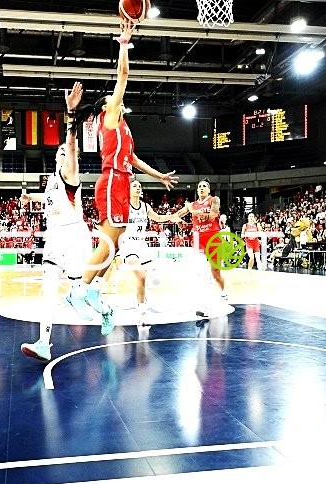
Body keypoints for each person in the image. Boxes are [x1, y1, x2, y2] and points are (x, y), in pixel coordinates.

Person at [65, 20, 177, 328]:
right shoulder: (110, 116)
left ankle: (92, 289)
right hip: (113, 180)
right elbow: (123, 75)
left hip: (120, 180)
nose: (120, 99)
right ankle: (79, 289)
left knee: (113, 244)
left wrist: (159, 177)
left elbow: (135, 159)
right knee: (107, 242)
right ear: (107, 107)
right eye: (114, 99)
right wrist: (124, 44)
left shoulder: (124, 128)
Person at [19, 82, 94, 361]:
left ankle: (103, 307)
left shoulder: (71, 175)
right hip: (54, 237)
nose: (66, 155)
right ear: (55, 158)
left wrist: (70, 116)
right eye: (61, 153)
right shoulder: (52, 181)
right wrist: (31, 199)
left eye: (68, 153)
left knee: (79, 292)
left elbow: (72, 145)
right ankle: (43, 342)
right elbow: (48, 199)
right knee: (47, 291)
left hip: (73, 238)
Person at [116, 179, 180, 321]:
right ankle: (142, 310)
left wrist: (172, 217)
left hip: (142, 246)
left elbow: (157, 217)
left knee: (151, 280)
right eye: (134, 186)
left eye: (139, 186)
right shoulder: (124, 206)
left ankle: (142, 300)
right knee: (141, 276)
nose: (137, 188)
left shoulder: (145, 207)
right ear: (129, 190)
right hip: (128, 246)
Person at [173, 178, 228, 314]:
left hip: (214, 238)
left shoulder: (214, 200)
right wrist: (178, 220)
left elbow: (212, 216)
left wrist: (193, 211)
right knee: (201, 273)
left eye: (204, 186)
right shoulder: (192, 204)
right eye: (200, 186)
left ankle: (223, 291)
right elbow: (176, 215)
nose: (202, 188)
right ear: (197, 190)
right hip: (198, 239)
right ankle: (204, 306)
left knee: (215, 273)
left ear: (208, 190)